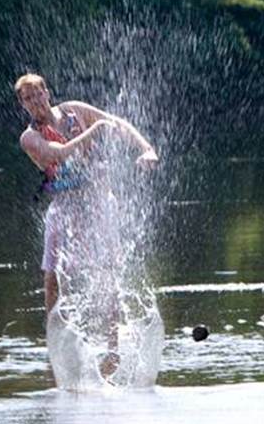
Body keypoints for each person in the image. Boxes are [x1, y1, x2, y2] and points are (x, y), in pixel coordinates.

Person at [15, 73, 158, 314]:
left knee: (108, 271)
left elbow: (116, 123)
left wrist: (146, 149)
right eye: (29, 98)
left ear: (47, 93)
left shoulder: (74, 110)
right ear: (23, 105)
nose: (36, 101)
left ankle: (113, 349)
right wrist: (95, 130)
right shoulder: (29, 137)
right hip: (64, 208)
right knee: (52, 277)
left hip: (99, 200)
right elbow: (59, 154)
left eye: (38, 94)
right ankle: (55, 342)